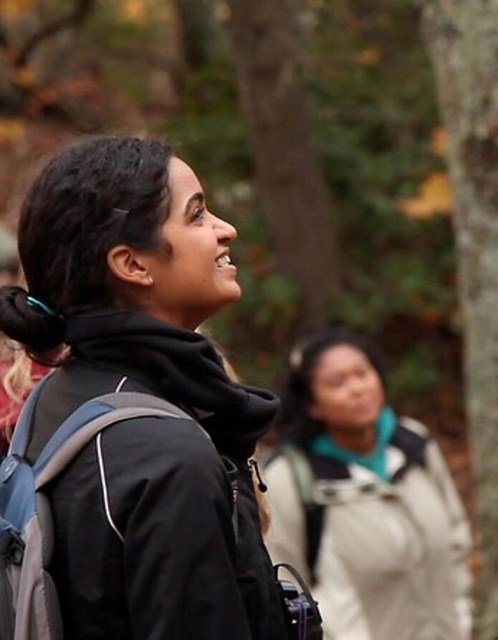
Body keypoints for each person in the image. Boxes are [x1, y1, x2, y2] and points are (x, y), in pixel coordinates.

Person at [0, 135, 291, 639]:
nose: (226, 230)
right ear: (132, 265)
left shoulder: (61, 400)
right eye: (196, 215)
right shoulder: (163, 453)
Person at [263, 328, 474, 640]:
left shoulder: (414, 444)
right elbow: (287, 590)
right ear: (312, 404)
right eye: (337, 383)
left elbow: (456, 541)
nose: (357, 389)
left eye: (362, 373)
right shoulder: (289, 479)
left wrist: (462, 613)